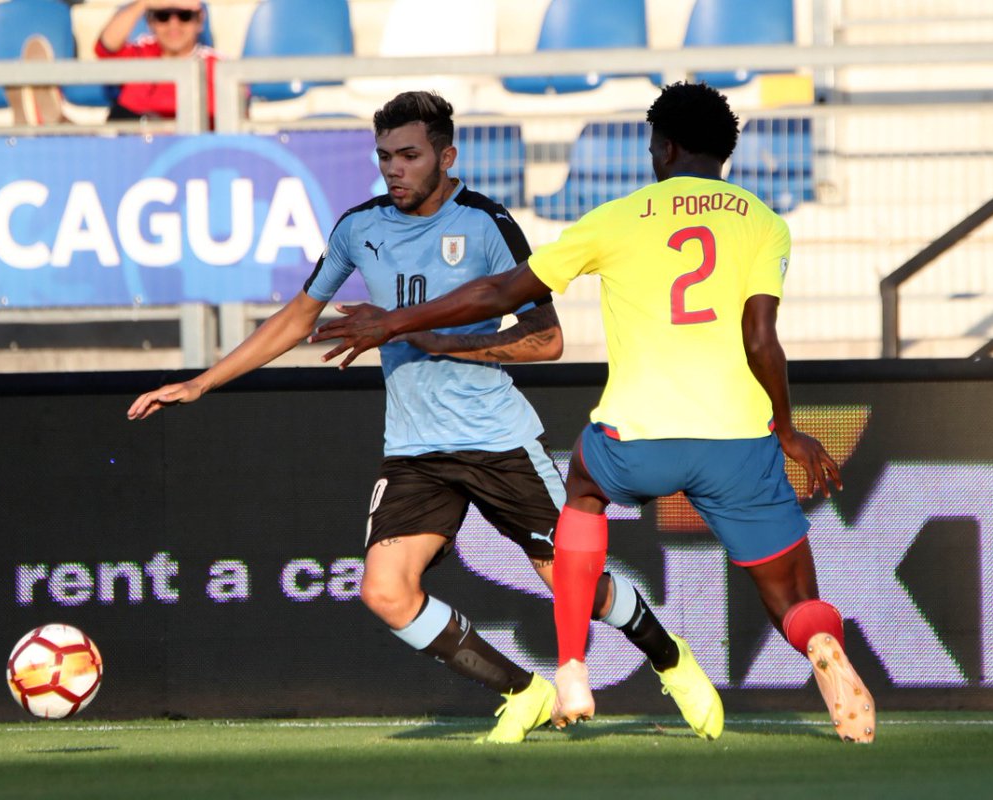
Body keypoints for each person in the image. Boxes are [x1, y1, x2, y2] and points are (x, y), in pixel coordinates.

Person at [128, 90, 722, 743]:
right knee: (385, 590)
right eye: (384, 156)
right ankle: (524, 691)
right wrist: (203, 382)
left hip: (495, 439)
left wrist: (450, 343)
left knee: (578, 584)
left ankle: (673, 659)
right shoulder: (360, 228)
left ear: (446, 155)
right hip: (414, 447)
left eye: (408, 155)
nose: (393, 169)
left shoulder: (487, 224)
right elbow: (299, 317)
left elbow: (547, 340)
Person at [312, 82, 876, 744]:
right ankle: (820, 646)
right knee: (793, 598)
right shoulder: (763, 221)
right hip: (737, 441)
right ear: (725, 150)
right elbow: (761, 340)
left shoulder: (617, 217)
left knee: (580, 495)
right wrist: (787, 429)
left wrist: (397, 322)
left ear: (662, 147)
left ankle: (573, 665)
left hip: (635, 436)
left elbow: (499, 290)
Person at [95, 0, 223, 126]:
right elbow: (106, 48)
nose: (174, 25)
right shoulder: (140, 53)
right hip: (133, 141)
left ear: (199, 21)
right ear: (151, 22)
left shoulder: (217, 66)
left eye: (184, 16)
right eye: (163, 16)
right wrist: (144, 3)